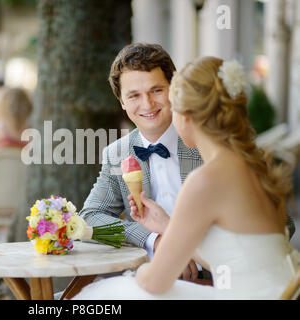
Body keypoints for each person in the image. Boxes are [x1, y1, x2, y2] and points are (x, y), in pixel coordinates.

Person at [74, 56, 299, 299]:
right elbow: (245, 255)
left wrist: (134, 275)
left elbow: (153, 283)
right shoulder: (251, 163)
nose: (148, 105)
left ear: (185, 116)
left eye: (159, 93)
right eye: (134, 95)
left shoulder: (205, 179)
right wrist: (162, 233)